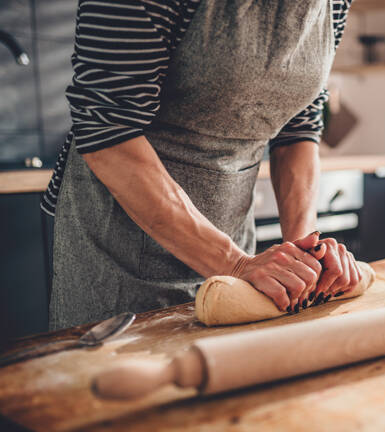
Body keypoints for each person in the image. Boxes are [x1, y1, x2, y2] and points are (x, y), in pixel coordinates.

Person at [40, 0, 358, 330]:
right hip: (120, 252)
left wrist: (307, 255)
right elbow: (108, 129)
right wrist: (233, 264)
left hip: (235, 245)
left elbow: (299, 127)